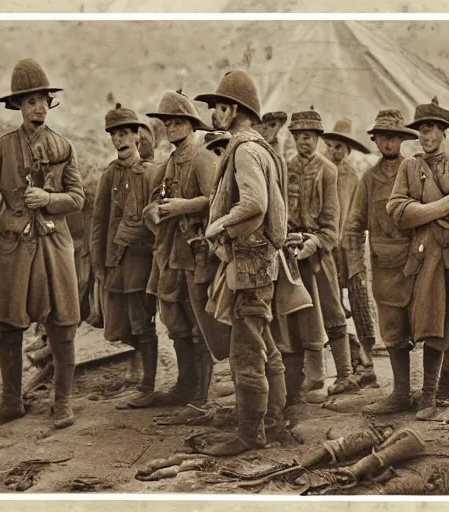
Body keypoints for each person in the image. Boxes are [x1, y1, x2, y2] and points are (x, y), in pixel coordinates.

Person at [0, 59, 84, 431]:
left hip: (54, 247)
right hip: (11, 248)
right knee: (8, 325)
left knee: (63, 322)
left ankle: (63, 402)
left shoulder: (64, 147)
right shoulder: (1, 148)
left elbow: (78, 198)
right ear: (18, 106)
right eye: (30, 101)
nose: (37, 107)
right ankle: (10, 402)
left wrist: (48, 199)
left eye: (43, 100)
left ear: (49, 105)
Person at [191, 70, 291, 455]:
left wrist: (218, 226)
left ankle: (251, 434)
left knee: (246, 350)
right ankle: (274, 422)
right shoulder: (261, 147)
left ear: (233, 109)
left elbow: (254, 204)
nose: (214, 114)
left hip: (249, 264)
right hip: (258, 263)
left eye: (218, 107)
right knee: (264, 342)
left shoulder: (246, 150)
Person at [131, 90, 228, 410]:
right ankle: (184, 386)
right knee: (175, 321)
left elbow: (216, 201)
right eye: (167, 123)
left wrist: (183, 207)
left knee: (200, 320)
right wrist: (154, 212)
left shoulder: (202, 159)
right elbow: (152, 204)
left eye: (177, 123)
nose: (171, 128)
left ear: (190, 125)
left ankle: (201, 394)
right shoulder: (167, 164)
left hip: (197, 253)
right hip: (170, 252)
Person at [343, 109, 418, 415]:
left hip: (417, 264)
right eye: (384, 137)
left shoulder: (414, 171)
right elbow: (353, 226)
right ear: (375, 140)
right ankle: (401, 394)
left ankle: (435, 393)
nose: (389, 143)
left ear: (402, 140)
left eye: (395, 137)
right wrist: (356, 269)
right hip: (384, 269)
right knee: (392, 332)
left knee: (432, 326)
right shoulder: (369, 179)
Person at [285, 107, 358, 397]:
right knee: (297, 314)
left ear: (318, 138)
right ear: (293, 138)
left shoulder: (329, 171)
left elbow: (332, 226)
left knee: (332, 311)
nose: (305, 141)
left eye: (311, 136)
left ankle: (346, 376)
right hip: (290, 253)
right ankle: (309, 378)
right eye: (300, 136)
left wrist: (314, 243)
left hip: (319, 253)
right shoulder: (284, 167)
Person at [90, 104, 158, 400]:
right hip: (116, 259)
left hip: (141, 260)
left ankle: (148, 383)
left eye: (125, 133)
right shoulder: (110, 174)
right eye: (115, 135)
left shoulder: (150, 173)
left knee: (142, 320)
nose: (120, 140)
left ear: (136, 136)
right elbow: (99, 220)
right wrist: (98, 261)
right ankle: (139, 370)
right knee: (118, 322)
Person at [387, 97, 449, 420]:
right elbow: (397, 209)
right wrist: (440, 208)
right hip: (428, 255)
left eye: (431, 131)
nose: (425, 138)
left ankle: (443, 391)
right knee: (431, 321)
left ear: (443, 131)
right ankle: (427, 396)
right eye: (421, 132)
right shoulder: (410, 167)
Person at [323, 118, 377, 386]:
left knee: (360, 304)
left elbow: (357, 213)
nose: (334, 151)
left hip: (351, 246)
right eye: (330, 146)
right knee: (331, 306)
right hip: (328, 248)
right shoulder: (321, 172)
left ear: (347, 150)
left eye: (340, 147)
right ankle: (351, 359)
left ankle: (368, 364)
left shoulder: (352, 176)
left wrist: (353, 238)